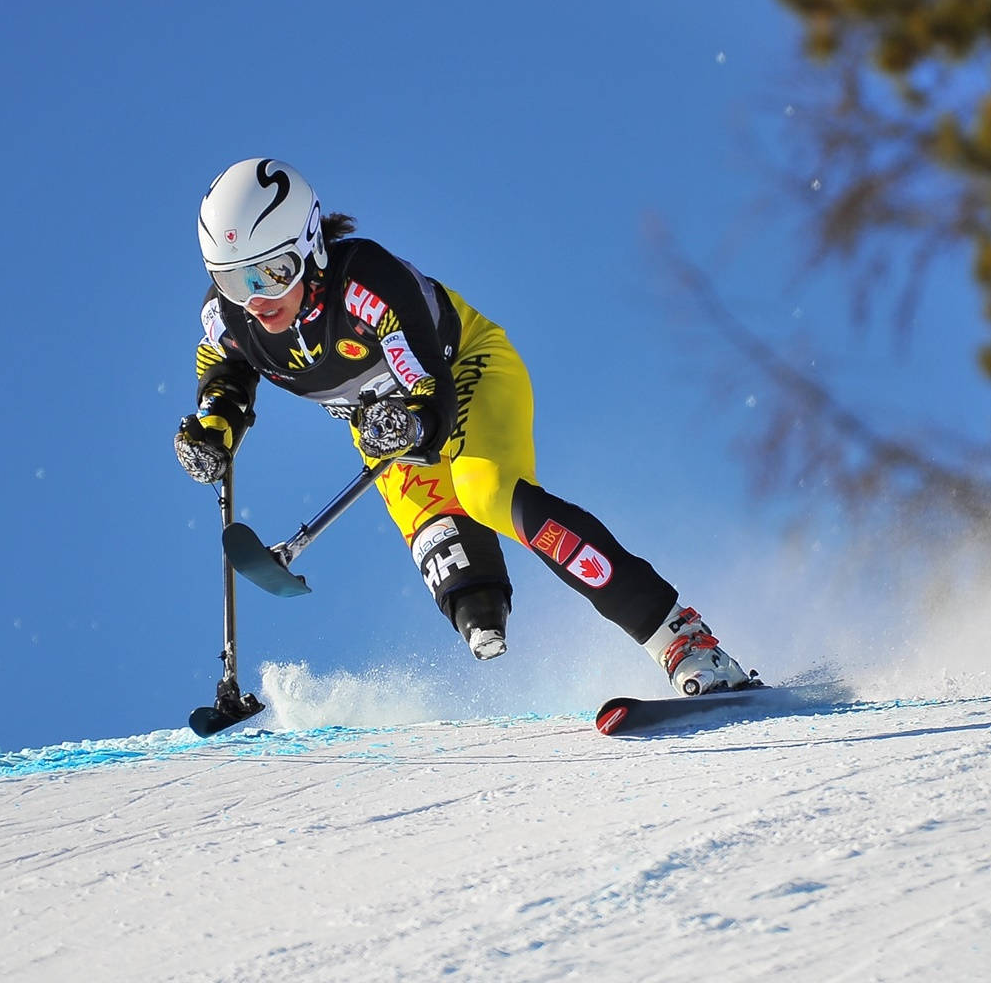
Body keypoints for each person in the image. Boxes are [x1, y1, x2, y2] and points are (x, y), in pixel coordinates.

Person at [174, 158, 756, 695]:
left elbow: (431, 398)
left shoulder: (367, 286)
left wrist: (412, 422)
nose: (257, 300)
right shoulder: (226, 317)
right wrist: (214, 428)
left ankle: (683, 640)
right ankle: (481, 606)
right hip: (380, 419)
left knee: (488, 493)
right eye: (233, 279)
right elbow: (226, 369)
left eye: (274, 272)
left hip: (460, 371)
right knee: (456, 577)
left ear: (309, 248)